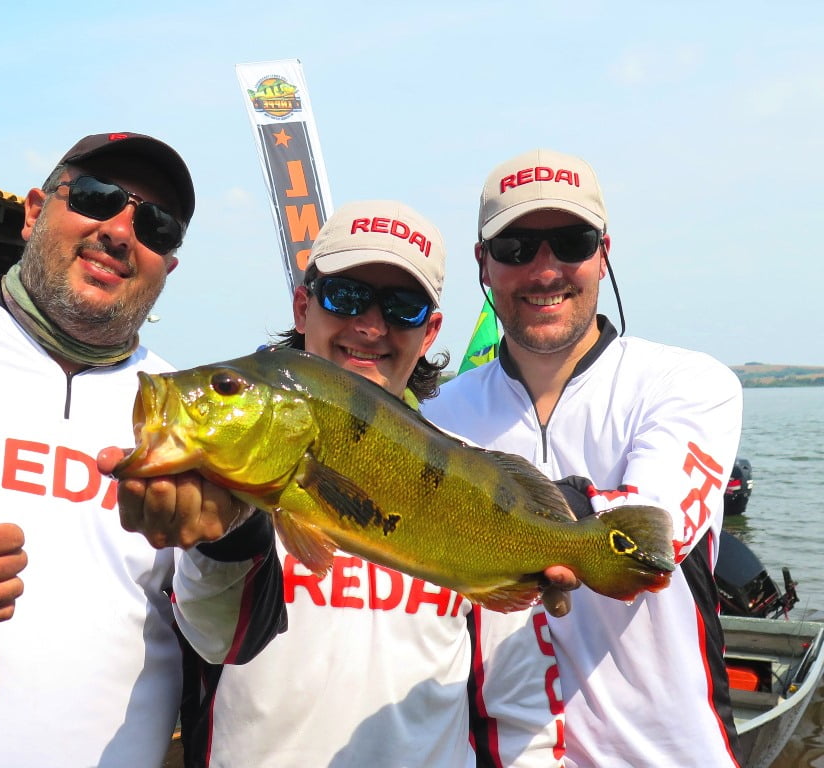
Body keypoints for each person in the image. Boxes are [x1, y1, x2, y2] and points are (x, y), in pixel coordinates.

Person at [0, 132, 285, 768]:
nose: (119, 231)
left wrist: (229, 537)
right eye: (95, 196)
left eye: (157, 225)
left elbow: (229, 641)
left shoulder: (196, 406)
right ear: (34, 212)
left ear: (168, 267)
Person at [106, 199, 568, 768]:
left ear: (430, 332)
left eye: (402, 308)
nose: (370, 326)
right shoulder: (224, 483)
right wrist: (225, 537)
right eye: (345, 297)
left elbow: (520, 708)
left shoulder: (481, 485)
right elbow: (215, 638)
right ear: (304, 307)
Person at [421, 148, 744, 767]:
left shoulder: (688, 383)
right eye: (516, 247)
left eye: (571, 243)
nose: (545, 271)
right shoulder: (440, 414)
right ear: (483, 263)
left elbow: (651, 533)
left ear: (604, 253)